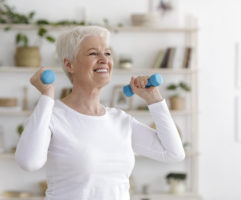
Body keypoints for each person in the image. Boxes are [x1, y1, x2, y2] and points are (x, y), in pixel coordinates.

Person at [15, 26, 185, 200]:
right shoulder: (52, 116)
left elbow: (173, 153)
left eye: (108, 53)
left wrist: (154, 100)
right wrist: (46, 96)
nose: (104, 59)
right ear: (69, 64)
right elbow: (29, 162)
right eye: (93, 54)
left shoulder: (121, 120)